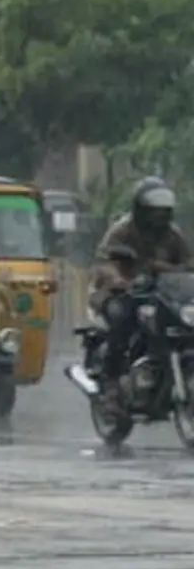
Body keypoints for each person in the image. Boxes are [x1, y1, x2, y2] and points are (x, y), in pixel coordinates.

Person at [91, 176, 192, 416]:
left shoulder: (173, 234)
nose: (159, 215)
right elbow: (103, 260)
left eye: (163, 210)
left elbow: (188, 262)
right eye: (153, 210)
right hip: (121, 292)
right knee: (121, 319)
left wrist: (175, 271)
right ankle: (112, 385)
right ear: (140, 208)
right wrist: (116, 279)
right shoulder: (123, 230)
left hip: (159, 293)